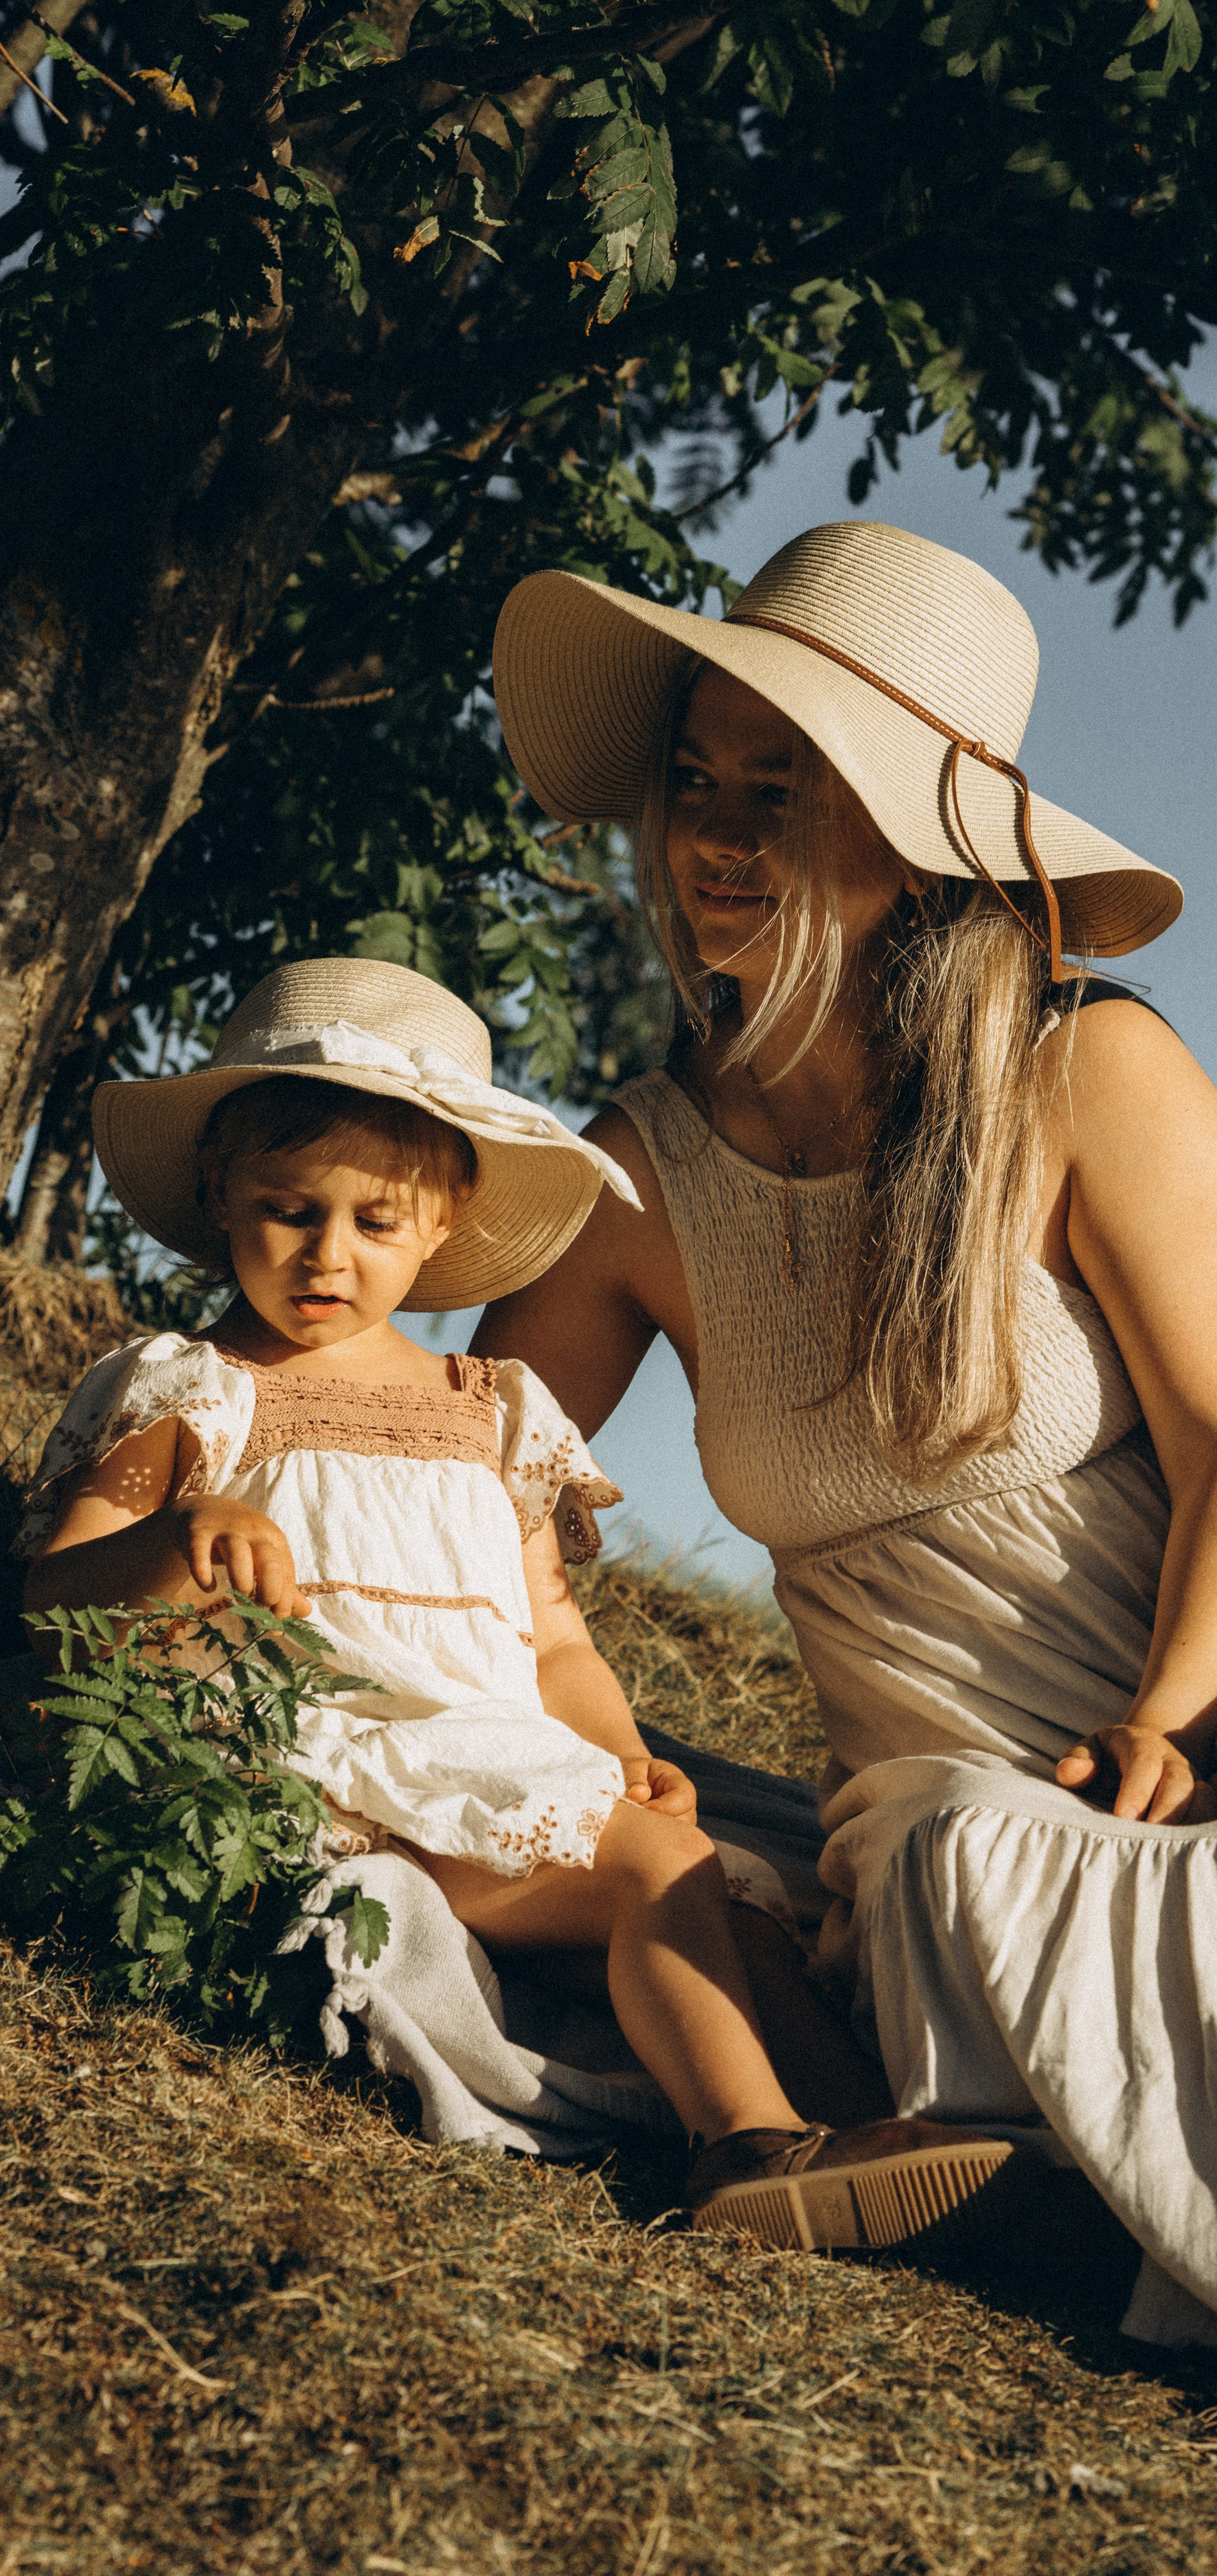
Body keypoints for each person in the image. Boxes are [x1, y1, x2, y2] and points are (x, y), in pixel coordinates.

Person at [481, 515, 1217, 2342]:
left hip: (1183, 1755)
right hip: (914, 1839)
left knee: (971, 1849)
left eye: (784, 790)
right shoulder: (643, 1175)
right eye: (696, 781)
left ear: (914, 838)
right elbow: (464, 1475)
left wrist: (1167, 1725)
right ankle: (1011, 2176)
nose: (715, 838)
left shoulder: (1080, 1070)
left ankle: (1057, 2190)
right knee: (832, 1857)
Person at [15, 955, 1015, 2245]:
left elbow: (551, 1638)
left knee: (717, 1892)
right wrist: (177, 1537)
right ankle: (745, 2150)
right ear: (217, 1195)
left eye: (375, 1225)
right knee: (655, 1875)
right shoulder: (193, 1391)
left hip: (486, 1754)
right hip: (328, 1767)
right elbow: (52, 1605)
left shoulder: (491, 1414)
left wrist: (619, 1759)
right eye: (288, 1212)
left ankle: (886, 2165)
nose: (329, 1257)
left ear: (441, 1224)